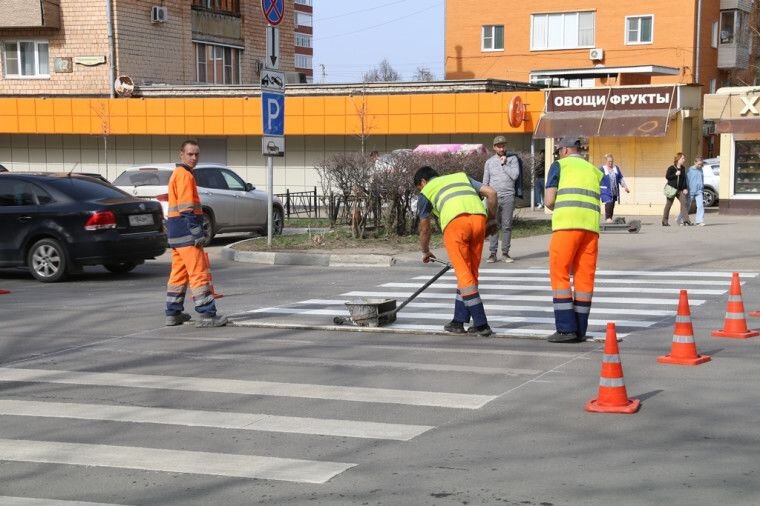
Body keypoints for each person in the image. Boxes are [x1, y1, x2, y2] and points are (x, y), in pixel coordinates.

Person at [414, 166, 498, 336]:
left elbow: (424, 229)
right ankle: (458, 321)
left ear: (422, 182)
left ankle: (482, 324)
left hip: (456, 224)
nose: (420, 190)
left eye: (419, 187)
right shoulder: (461, 177)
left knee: (463, 275)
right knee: (470, 273)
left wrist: (425, 251)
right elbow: (491, 193)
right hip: (478, 220)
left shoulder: (427, 191)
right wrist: (492, 220)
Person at [544, 137, 603, 343]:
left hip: (567, 226)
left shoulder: (559, 166)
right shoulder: (594, 170)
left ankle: (565, 329)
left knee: (559, 274)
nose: (559, 154)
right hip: (591, 228)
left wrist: (556, 208)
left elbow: (549, 200)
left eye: (559, 150)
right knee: (584, 278)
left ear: (566, 150)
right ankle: (580, 328)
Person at [165, 140, 227, 328]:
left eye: (196, 154)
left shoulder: (178, 174)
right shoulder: (184, 175)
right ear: (181, 154)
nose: (194, 158)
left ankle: (173, 313)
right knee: (198, 273)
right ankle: (207, 315)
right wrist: (196, 232)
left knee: (178, 275)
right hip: (186, 234)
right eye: (190, 154)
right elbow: (186, 208)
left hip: (176, 234)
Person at [482, 135, 523, 263]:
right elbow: (485, 181)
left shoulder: (513, 160)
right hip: (493, 198)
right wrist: (484, 197)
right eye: (499, 146)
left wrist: (505, 164)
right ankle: (492, 253)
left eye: (503, 145)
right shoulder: (489, 162)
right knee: (493, 224)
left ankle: (505, 253)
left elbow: (515, 176)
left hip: (508, 196)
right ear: (494, 148)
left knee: (507, 226)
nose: (501, 148)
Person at [599, 153, 630, 223]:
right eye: (609, 161)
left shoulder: (616, 168)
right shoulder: (602, 169)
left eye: (611, 161)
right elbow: (596, 177)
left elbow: (620, 178)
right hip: (605, 190)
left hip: (614, 190)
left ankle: (610, 218)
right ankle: (608, 218)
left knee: (612, 205)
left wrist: (625, 187)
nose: (610, 163)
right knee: (608, 202)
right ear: (606, 161)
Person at [663, 152, 691, 226]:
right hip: (672, 189)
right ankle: (664, 221)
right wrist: (675, 174)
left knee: (684, 203)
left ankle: (686, 220)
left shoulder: (683, 168)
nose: (684, 160)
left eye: (684, 158)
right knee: (668, 205)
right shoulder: (671, 168)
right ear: (678, 159)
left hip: (680, 190)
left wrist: (685, 188)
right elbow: (667, 177)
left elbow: (684, 179)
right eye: (682, 158)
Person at [687, 157, 706, 226]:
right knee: (687, 205)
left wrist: (702, 188)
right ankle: (681, 218)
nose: (700, 166)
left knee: (700, 205)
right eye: (698, 164)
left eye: (701, 164)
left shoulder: (701, 170)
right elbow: (687, 180)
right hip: (691, 190)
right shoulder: (690, 170)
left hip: (699, 191)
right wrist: (686, 189)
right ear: (695, 163)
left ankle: (699, 221)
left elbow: (702, 179)